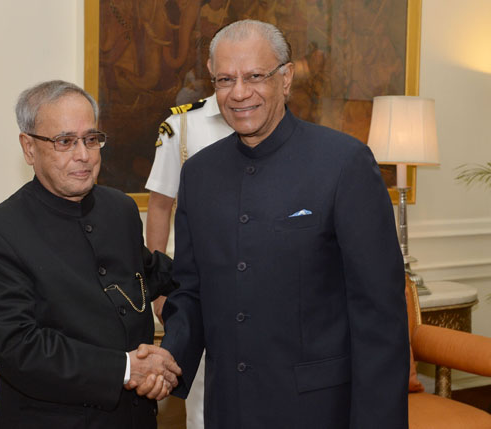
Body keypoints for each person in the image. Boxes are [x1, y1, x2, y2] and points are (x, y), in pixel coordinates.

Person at [160, 20, 410, 428]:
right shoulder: (199, 174)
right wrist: (170, 357)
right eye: (225, 79)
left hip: (318, 411)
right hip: (228, 408)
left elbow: (379, 316)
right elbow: (190, 290)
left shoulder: (344, 163)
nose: (239, 93)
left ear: (286, 78)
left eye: (255, 76)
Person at [0, 80, 181, 429]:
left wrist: (224, 265)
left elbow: (146, 274)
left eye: (91, 139)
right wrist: (128, 368)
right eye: (65, 141)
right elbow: (21, 349)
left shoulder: (119, 209)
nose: (83, 154)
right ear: (29, 148)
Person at [146, 93, 233, 429]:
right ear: (212, 66)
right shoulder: (181, 124)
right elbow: (159, 206)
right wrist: (159, 288)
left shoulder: (275, 119)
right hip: (203, 291)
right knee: (203, 405)